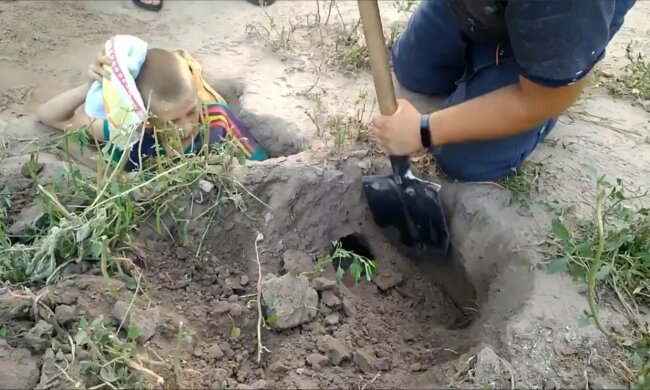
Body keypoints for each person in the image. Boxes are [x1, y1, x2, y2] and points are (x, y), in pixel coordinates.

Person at [371, 0, 637, 182]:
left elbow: (541, 101)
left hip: (558, 21)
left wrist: (424, 131)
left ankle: (542, 66)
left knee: (462, 157)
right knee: (414, 70)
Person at [36, 45, 267, 171]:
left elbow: (265, 171)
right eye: (172, 121)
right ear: (145, 119)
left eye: (191, 111)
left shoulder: (217, 120)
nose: (188, 127)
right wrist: (91, 86)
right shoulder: (130, 133)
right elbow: (50, 116)